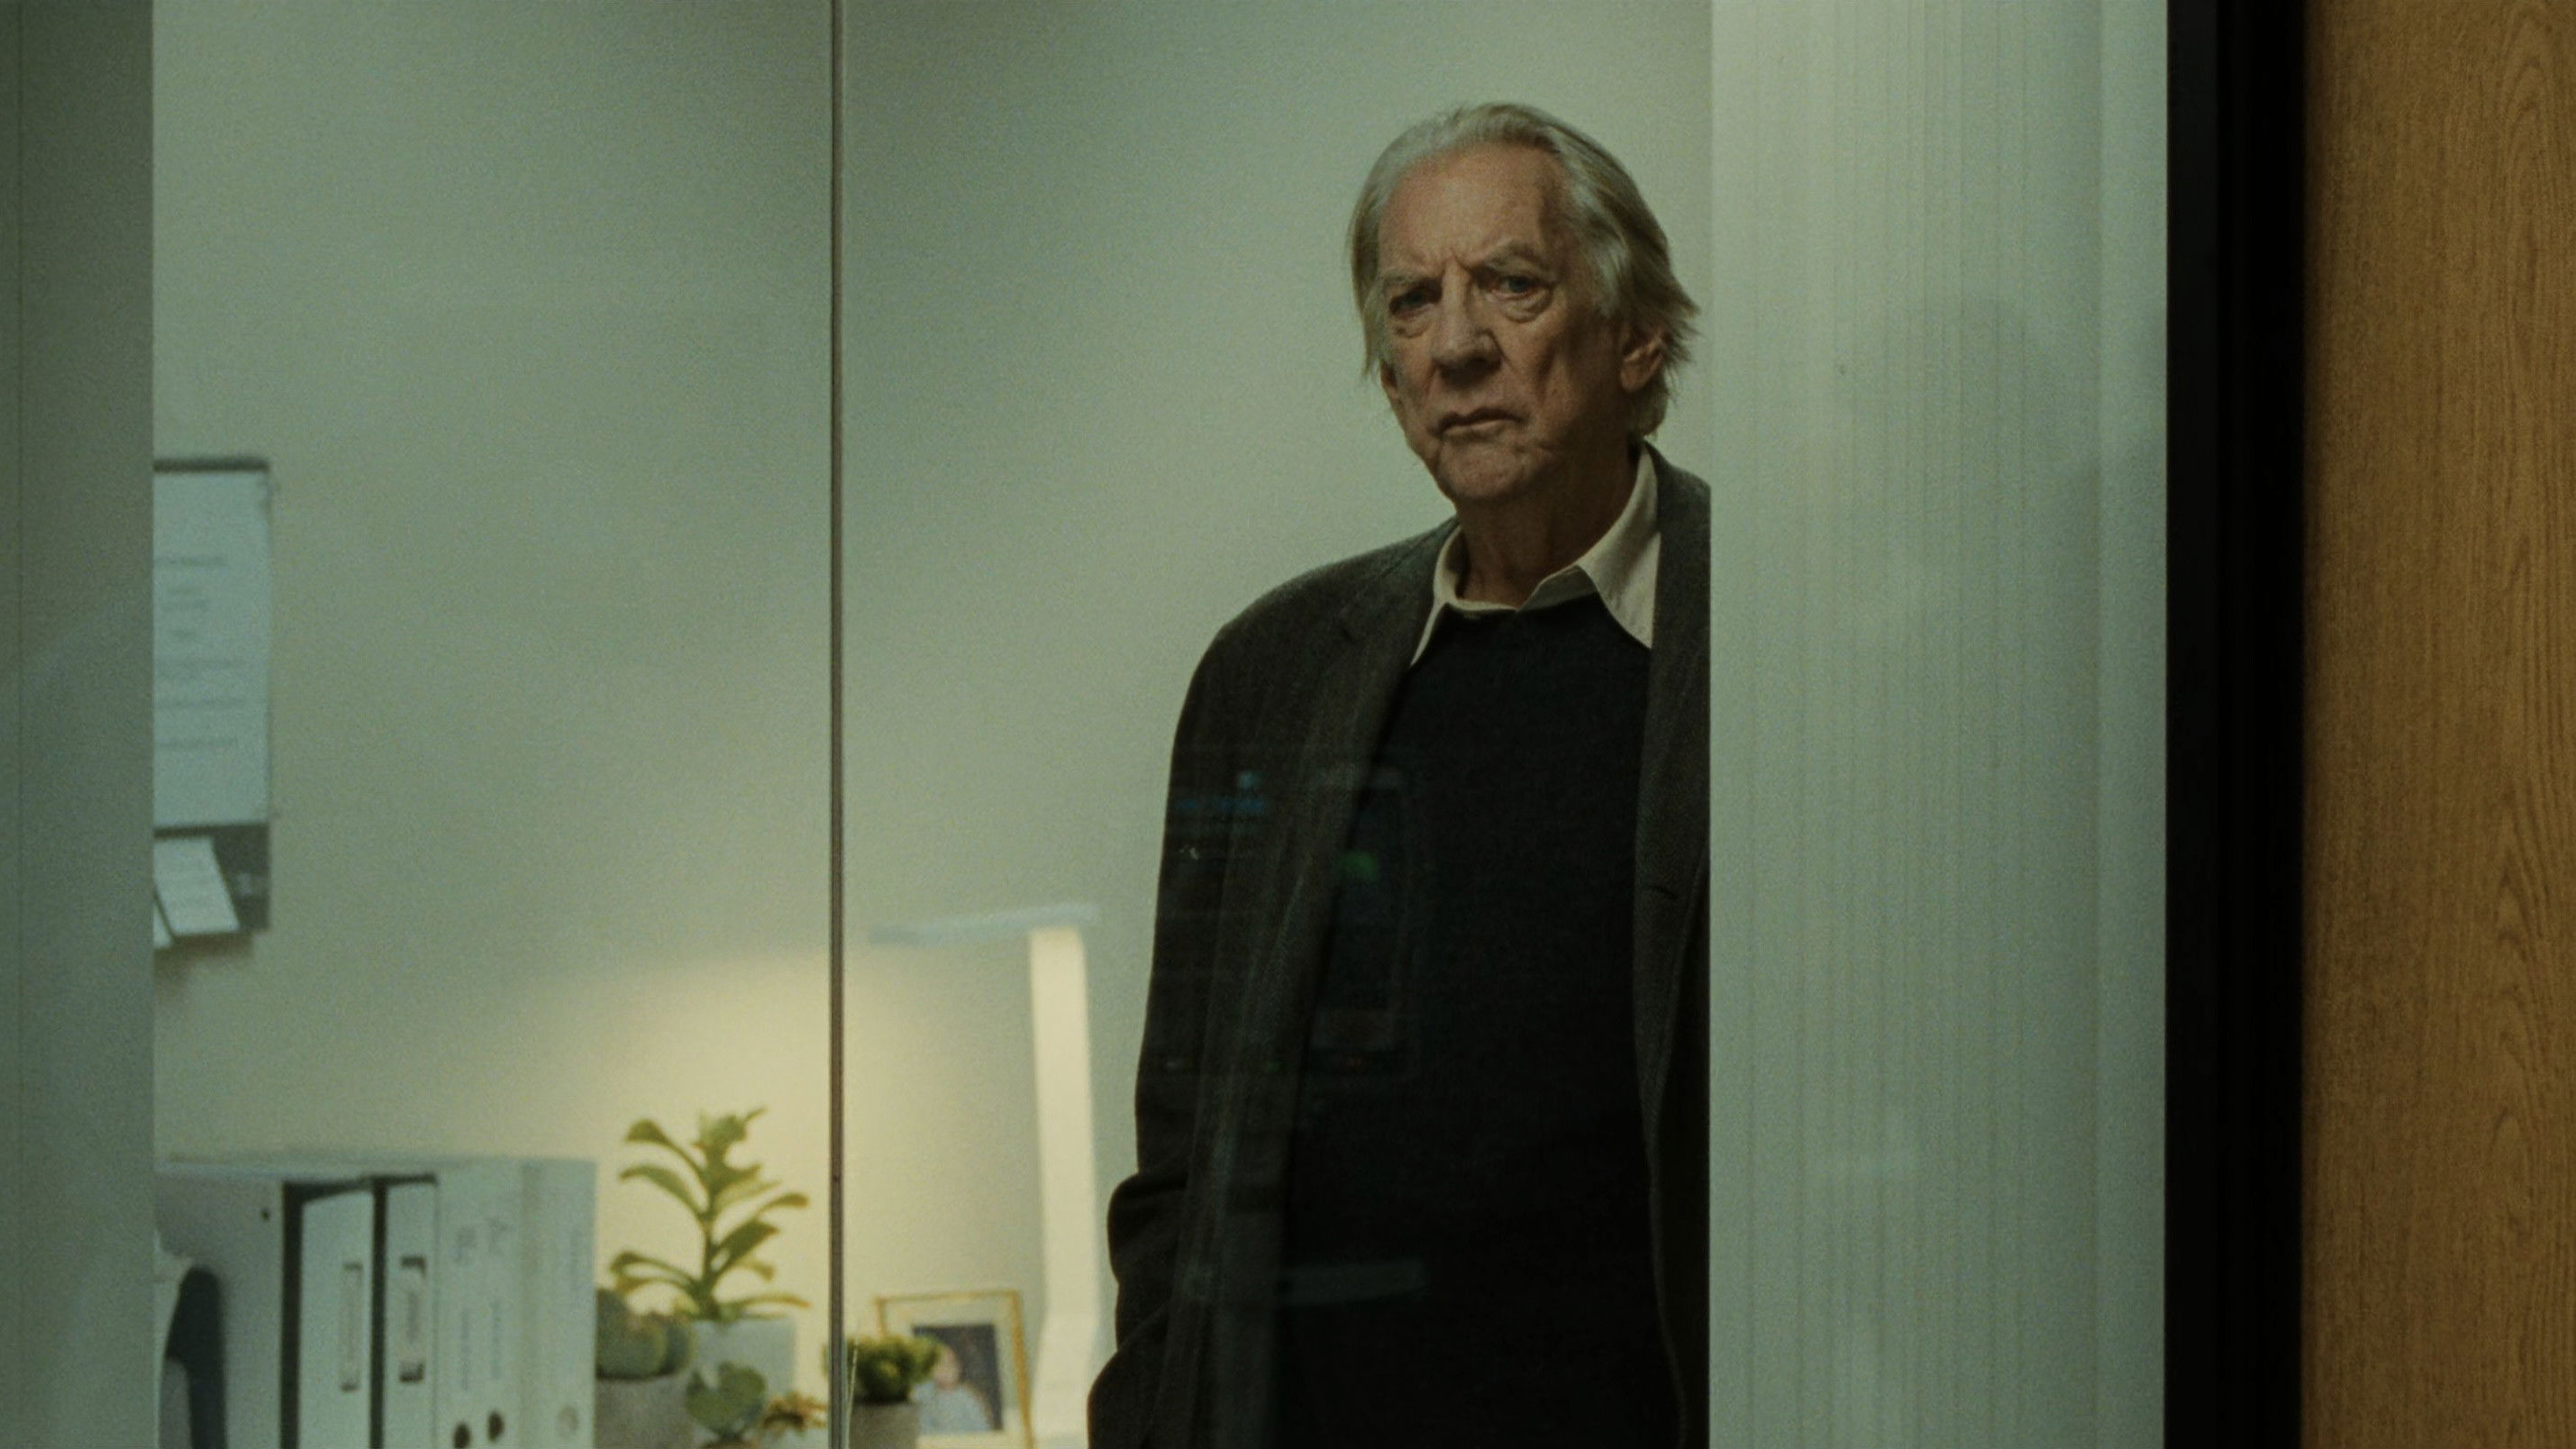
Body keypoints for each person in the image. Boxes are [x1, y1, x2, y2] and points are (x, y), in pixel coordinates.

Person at [1091, 102, 1708, 1449]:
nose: (1456, 344)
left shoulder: (1769, 633)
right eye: (1412, 302)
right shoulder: (1272, 671)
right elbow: (1185, 1154)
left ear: (1637, 336)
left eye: (1512, 284)